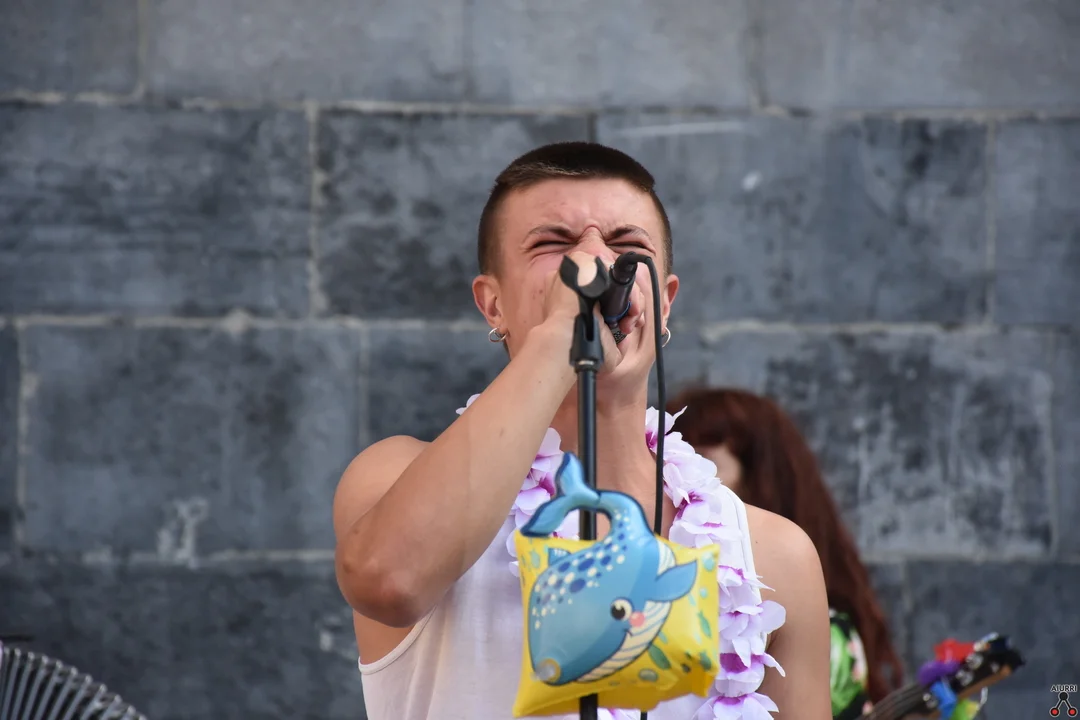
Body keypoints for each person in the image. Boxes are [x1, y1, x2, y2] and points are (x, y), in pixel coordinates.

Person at [332, 142, 832, 720]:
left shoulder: (775, 555)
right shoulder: (395, 474)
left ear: (664, 303)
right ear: (492, 305)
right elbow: (389, 581)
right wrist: (560, 334)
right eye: (553, 243)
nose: (595, 263)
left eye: (628, 246)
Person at [667, 386, 906, 720]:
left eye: (702, 461)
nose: (679, 479)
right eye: (673, 460)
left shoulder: (821, 625)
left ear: (760, 476)